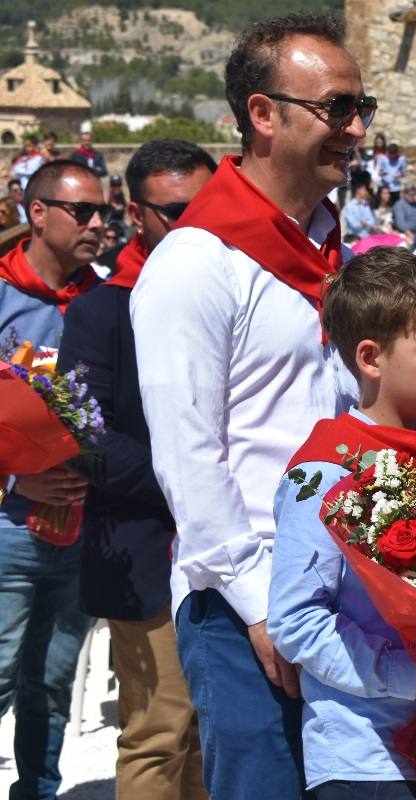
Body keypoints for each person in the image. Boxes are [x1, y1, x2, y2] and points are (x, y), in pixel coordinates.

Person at [129, 14, 368, 798]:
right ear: (263, 115)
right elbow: (189, 456)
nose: (356, 128)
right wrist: (268, 612)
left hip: (342, 584)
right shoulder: (196, 264)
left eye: (360, 108)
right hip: (247, 602)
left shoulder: (326, 248)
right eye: (336, 108)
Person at [269, 248, 416, 797]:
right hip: (364, 753)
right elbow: (297, 619)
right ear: (371, 359)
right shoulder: (326, 473)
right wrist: (411, 676)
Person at [57, 140, 216, 799]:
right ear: (137, 212)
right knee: (159, 733)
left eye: (208, 205)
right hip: (150, 550)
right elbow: (82, 432)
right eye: (177, 210)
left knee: (217, 736)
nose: (196, 221)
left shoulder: (238, 296)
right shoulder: (97, 310)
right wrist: (195, 483)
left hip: (233, 553)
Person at [0, 159, 103, 799]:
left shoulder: (106, 301)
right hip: (6, 530)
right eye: (82, 212)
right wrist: (15, 483)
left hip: (80, 533)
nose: (98, 224)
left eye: (105, 213)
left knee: (53, 682)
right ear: (38, 213)